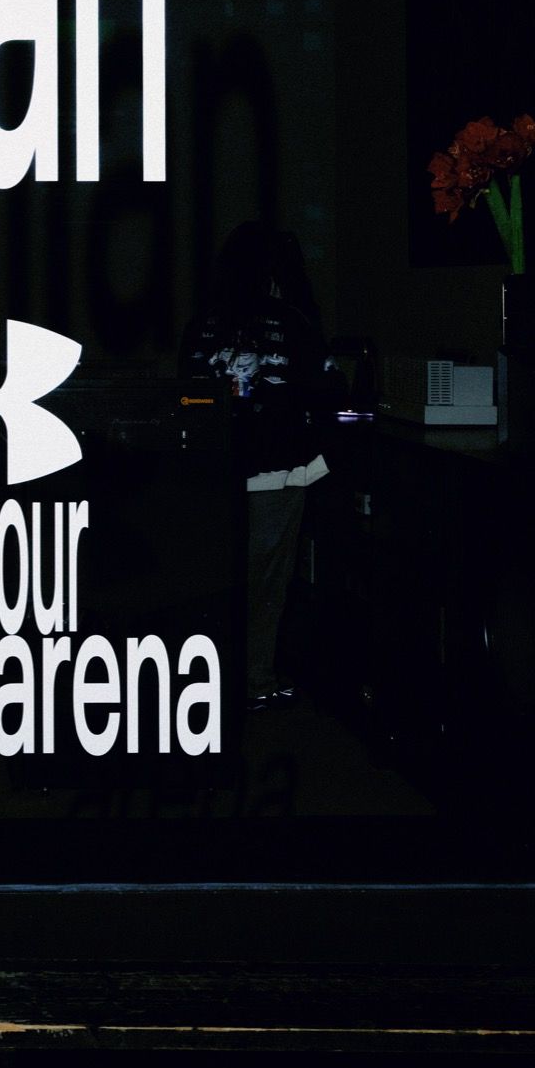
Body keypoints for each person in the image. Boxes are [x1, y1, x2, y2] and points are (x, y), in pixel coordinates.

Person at [179, 223, 342, 711]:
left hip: (211, 470)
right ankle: (255, 679)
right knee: (267, 580)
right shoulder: (292, 321)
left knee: (213, 577)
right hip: (276, 468)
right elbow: (326, 390)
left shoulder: (202, 323)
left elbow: (183, 394)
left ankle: (205, 678)